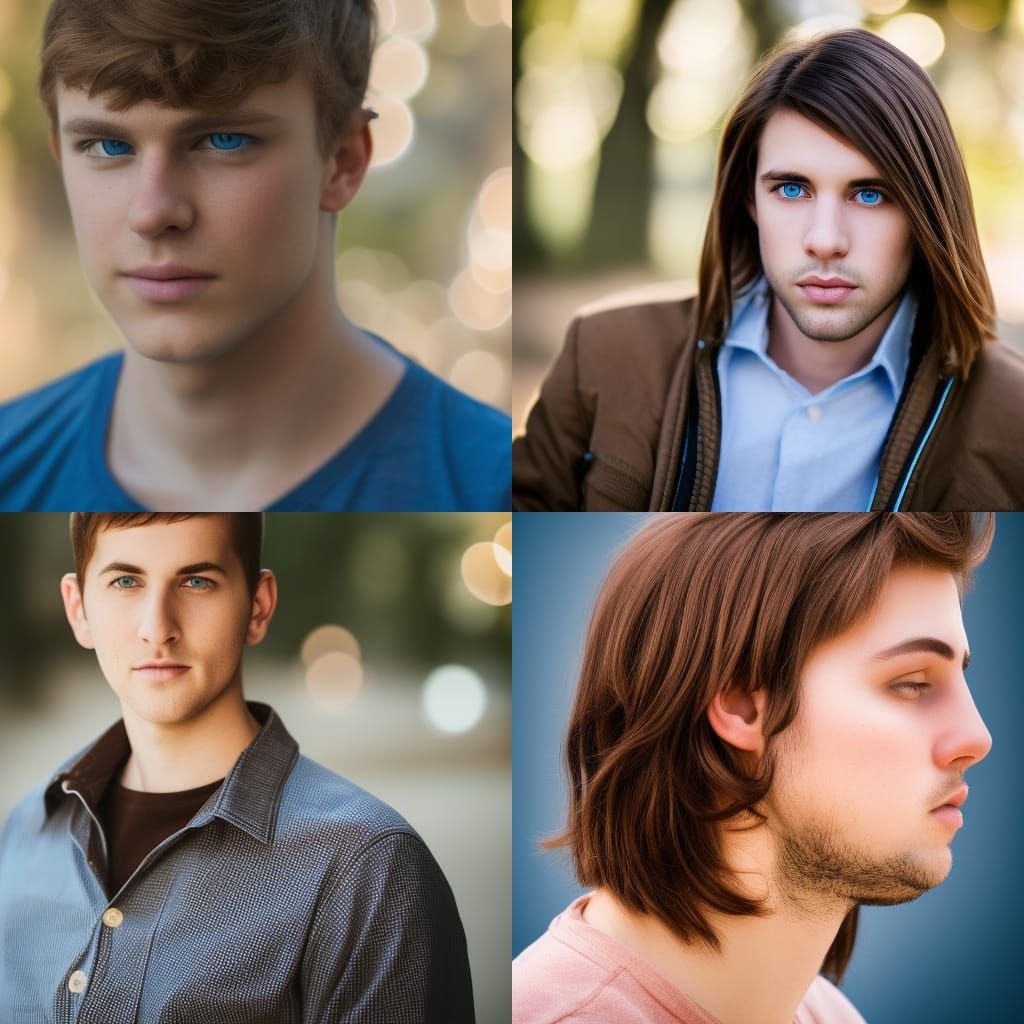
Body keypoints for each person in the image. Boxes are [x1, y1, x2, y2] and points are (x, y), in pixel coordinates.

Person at [0, 0, 510, 512]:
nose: (153, 212)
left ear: (343, 163)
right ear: (60, 153)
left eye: (223, 140)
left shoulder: (500, 487)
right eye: (106, 146)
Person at [512, 28, 1024, 511]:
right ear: (749, 200)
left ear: (926, 213)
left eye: (871, 194)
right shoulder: (603, 357)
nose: (825, 240)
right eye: (792, 189)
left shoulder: (1010, 414)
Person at [513, 513, 993, 1024]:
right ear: (742, 705)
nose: (976, 738)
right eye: (913, 683)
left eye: (958, 677)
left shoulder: (828, 1014)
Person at [0, 513, 475, 1022]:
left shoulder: (370, 871)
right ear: (79, 609)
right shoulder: (25, 837)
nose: (157, 628)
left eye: (196, 581)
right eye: (125, 581)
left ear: (258, 605)